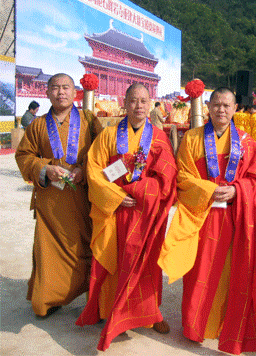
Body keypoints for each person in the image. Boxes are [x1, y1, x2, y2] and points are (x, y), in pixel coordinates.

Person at [158, 87, 256, 355]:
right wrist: (210, 191)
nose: (221, 110)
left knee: (231, 275)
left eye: (227, 105)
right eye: (216, 105)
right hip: (202, 216)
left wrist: (238, 190)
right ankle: (196, 325)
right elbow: (183, 178)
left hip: (236, 217)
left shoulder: (248, 143)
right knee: (200, 273)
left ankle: (225, 324)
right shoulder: (191, 138)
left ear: (235, 109)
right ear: (208, 108)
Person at [76, 83, 177, 351]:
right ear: (125, 102)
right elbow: (93, 171)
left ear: (150, 103)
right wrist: (116, 196)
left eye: (144, 101)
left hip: (145, 212)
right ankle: (109, 309)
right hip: (114, 210)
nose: (139, 106)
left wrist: (143, 191)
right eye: (133, 100)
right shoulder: (109, 135)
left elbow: (167, 175)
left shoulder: (158, 137)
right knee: (112, 258)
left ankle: (150, 313)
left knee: (146, 264)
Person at [15, 73, 101, 317]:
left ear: (75, 93)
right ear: (47, 93)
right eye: (55, 88)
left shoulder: (88, 119)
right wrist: (44, 169)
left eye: (66, 87)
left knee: (84, 249)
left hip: (81, 199)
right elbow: (24, 156)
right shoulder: (38, 125)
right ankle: (48, 300)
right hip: (50, 202)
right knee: (48, 252)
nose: (60, 92)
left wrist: (85, 170)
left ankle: (93, 299)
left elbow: (102, 153)